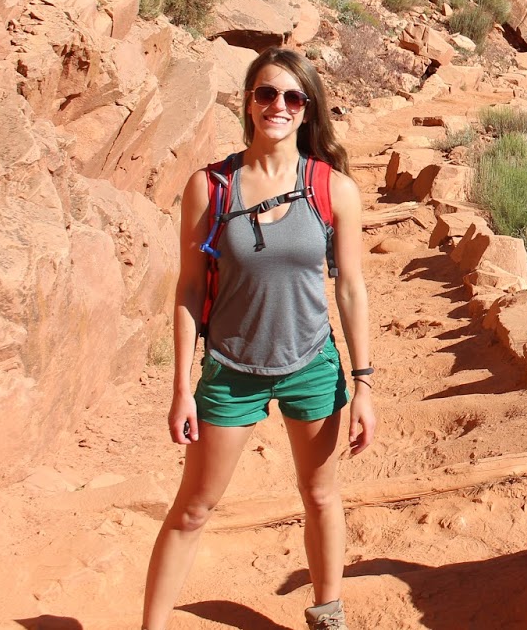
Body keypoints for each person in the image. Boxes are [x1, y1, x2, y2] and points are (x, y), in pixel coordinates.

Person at [142, 47, 375, 630]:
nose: (278, 106)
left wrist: (364, 383)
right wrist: (180, 387)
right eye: (266, 93)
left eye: (292, 97)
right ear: (248, 101)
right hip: (231, 366)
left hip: (311, 364)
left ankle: (327, 614)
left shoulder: (333, 190)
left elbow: (350, 289)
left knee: (320, 495)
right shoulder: (211, 188)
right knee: (194, 508)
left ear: (307, 109)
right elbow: (190, 290)